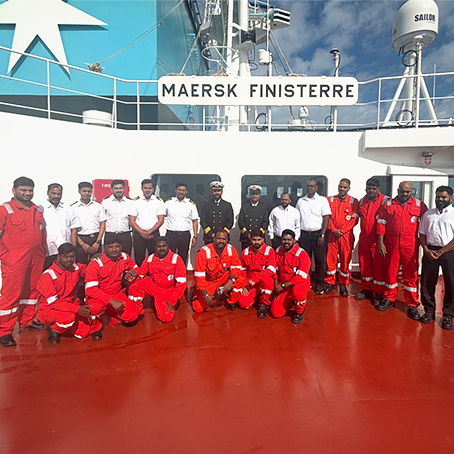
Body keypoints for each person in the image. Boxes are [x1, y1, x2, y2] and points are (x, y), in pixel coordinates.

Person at [0, 177, 47, 347]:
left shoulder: (36, 210)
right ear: (14, 191)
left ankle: (27, 320)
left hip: (35, 258)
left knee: (31, 290)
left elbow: (42, 234)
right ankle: (5, 331)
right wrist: (4, 256)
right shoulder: (5, 210)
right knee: (11, 294)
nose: (27, 193)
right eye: (23, 190)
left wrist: (42, 252)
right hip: (14, 260)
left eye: (30, 190)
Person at [376, 181, 428, 319]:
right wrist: (381, 243)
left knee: (410, 275)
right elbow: (381, 224)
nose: (404, 194)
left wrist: (425, 244)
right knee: (390, 272)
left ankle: (412, 304)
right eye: (402, 191)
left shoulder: (419, 205)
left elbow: (426, 225)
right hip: (391, 244)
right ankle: (389, 298)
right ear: (398, 190)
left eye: (408, 192)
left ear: (412, 191)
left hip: (410, 245)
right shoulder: (388, 204)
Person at [37, 243, 103, 344]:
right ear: (58, 257)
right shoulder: (47, 276)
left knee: (84, 332)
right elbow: (54, 304)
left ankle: (66, 326)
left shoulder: (76, 268)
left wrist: (97, 259)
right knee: (68, 318)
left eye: (72, 257)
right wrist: (77, 309)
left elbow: (91, 270)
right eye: (65, 257)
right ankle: (54, 328)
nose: (69, 260)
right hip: (50, 309)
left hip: (70, 306)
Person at [84, 235, 144, 326]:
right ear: (105, 247)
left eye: (117, 246)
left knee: (132, 316)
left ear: (121, 247)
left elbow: (135, 267)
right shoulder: (96, 263)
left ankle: (110, 313)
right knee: (95, 308)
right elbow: (90, 290)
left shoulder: (124, 257)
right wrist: (111, 301)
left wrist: (134, 272)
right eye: (110, 247)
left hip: (117, 293)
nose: (114, 250)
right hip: (99, 297)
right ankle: (96, 327)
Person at [419, 186, 454, 329]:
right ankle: (428, 311)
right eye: (438, 197)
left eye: (443, 197)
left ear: (450, 198)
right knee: (427, 282)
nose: (440, 199)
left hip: (449, 251)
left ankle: (448, 315)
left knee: (451, 283)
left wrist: (442, 251)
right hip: (430, 251)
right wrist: (426, 249)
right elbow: (422, 233)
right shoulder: (428, 214)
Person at [129, 237, 186, 323]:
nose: (162, 248)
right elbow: (141, 275)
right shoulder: (150, 259)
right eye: (158, 246)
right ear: (154, 247)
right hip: (153, 287)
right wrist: (132, 280)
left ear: (168, 246)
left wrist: (174, 299)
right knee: (134, 287)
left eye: (164, 246)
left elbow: (181, 283)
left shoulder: (176, 259)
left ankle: (162, 302)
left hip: (167, 291)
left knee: (166, 318)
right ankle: (137, 312)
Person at [192, 229, 245, 312]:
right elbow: (199, 276)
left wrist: (231, 281)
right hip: (209, 282)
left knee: (241, 279)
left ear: (227, 240)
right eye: (219, 238)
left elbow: (236, 267)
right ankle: (196, 293)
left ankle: (231, 301)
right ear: (214, 238)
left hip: (223, 278)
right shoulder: (203, 252)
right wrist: (205, 294)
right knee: (198, 308)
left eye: (224, 239)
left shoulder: (231, 249)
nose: (221, 241)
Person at [355, 178, 389, 304]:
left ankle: (379, 292)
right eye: (369, 188)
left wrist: (382, 242)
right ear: (366, 188)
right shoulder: (362, 201)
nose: (371, 190)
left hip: (378, 240)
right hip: (364, 238)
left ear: (378, 189)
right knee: (364, 265)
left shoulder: (385, 201)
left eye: (374, 188)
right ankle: (366, 289)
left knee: (379, 267)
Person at [324, 179, 359, 297]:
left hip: (346, 236)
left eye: (345, 187)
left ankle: (344, 283)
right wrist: (333, 230)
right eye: (341, 187)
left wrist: (342, 231)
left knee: (345, 261)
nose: (342, 189)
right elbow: (327, 217)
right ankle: (330, 282)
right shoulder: (330, 200)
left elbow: (354, 219)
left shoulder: (354, 202)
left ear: (349, 188)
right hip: (332, 235)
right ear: (338, 187)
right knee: (331, 259)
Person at [296, 179, 331, 294]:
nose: (310, 188)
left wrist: (322, 234)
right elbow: (296, 217)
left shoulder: (322, 200)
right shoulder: (301, 201)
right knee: (306, 260)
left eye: (312, 186)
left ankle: (319, 283)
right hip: (304, 235)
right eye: (308, 186)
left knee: (320, 260)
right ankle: (308, 281)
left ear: (316, 187)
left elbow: (326, 217)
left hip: (318, 235)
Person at [270, 229, 311, 324]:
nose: (286, 242)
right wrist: (276, 287)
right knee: (276, 313)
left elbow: (301, 276)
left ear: (294, 241)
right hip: (284, 284)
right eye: (284, 239)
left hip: (299, 283)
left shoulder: (302, 254)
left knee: (297, 293)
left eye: (289, 240)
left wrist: (283, 286)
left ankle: (300, 311)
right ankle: (290, 301)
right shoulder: (278, 251)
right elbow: (275, 270)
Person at [239, 229, 276, 318]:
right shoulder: (245, 252)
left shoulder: (269, 251)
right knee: (243, 304)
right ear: (250, 240)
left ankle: (264, 304)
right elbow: (242, 270)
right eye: (254, 240)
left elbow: (271, 269)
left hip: (263, 280)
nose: (256, 242)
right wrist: (244, 285)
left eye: (259, 240)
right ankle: (257, 296)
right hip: (250, 282)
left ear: (263, 239)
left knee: (268, 281)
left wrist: (256, 279)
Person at [42, 183, 80, 270]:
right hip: (48, 251)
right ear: (48, 193)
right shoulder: (41, 208)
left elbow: (73, 229)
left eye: (59, 194)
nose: (56, 196)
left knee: (65, 276)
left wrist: (73, 249)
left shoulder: (68, 209)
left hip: (65, 251)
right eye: (53, 193)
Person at [129, 179, 165, 266]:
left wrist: (149, 232)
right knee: (139, 257)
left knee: (154, 257)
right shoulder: (135, 202)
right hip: (139, 234)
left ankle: (153, 276)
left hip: (154, 234)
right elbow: (131, 221)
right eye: (145, 188)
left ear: (153, 189)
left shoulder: (159, 201)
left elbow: (161, 220)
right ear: (142, 189)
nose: (147, 190)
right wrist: (142, 232)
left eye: (149, 188)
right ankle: (140, 277)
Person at [71, 181, 106, 264]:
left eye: (89, 191)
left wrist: (98, 242)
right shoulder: (73, 208)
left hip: (96, 239)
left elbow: (103, 224)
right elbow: (73, 229)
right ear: (79, 191)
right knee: (81, 265)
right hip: (81, 239)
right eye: (84, 191)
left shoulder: (98, 206)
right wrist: (82, 244)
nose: (87, 193)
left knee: (97, 264)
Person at [164, 183, 199, 265]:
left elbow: (195, 221)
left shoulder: (191, 205)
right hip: (171, 234)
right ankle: (170, 274)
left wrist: (195, 236)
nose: (181, 192)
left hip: (184, 234)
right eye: (179, 190)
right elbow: (160, 216)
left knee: (183, 256)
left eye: (183, 190)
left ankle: (181, 275)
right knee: (169, 256)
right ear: (175, 191)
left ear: (186, 192)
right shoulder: (168, 203)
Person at [101, 180, 135, 256]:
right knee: (109, 258)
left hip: (125, 235)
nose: (118, 190)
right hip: (110, 234)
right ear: (112, 189)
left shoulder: (130, 202)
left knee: (126, 257)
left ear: (124, 189)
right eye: (116, 188)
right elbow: (102, 221)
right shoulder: (105, 202)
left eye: (120, 188)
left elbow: (132, 220)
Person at [238, 185, 268, 250]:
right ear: (250, 195)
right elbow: (240, 221)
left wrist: (259, 234)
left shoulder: (264, 207)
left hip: (259, 238)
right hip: (246, 238)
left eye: (256, 194)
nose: (254, 196)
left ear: (259, 195)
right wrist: (247, 234)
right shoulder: (245, 206)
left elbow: (266, 222)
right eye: (252, 194)